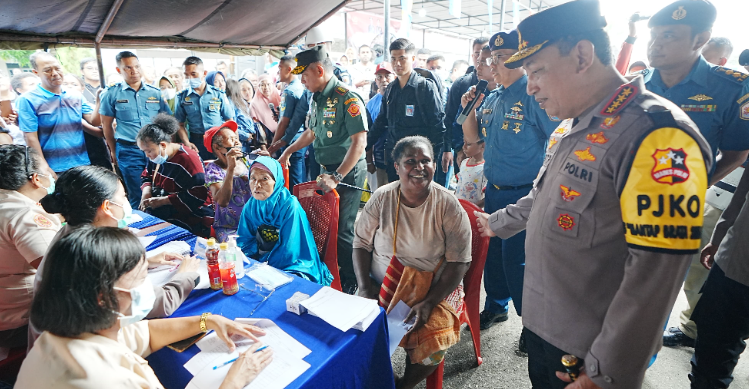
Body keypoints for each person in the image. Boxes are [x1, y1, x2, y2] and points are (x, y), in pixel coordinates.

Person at [475, 0, 712, 387]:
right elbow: (548, 198)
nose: (530, 85)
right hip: (548, 329)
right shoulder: (584, 123)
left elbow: (655, 275)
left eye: (536, 70)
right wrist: (495, 223)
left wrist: (606, 373)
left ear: (583, 55)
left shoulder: (658, 135)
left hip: (589, 354)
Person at [16, 226, 272, 388]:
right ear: (103, 297)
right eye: (141, 278)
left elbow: (147, 335)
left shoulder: (82, 327)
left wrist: (209, 320)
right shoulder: (100, 379)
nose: (148, 286)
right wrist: (234, 382)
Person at [638, 0, 749, 349]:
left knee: (652, 302)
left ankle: (636, 364)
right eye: (653, 35)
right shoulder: (632, 87)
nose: (655, 43)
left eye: (668, 35)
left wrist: (697, 184)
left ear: (700, 38)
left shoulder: (729, 88)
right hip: (621, 204)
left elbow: (737, 152)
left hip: (675, 213)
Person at [353, 136, 471, 389]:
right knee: (355, 337)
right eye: (410, 161)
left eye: (425, 161)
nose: (419, 167)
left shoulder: (448, 205)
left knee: (433, 344)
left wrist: (430, 302)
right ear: (396, 167)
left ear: (434, 164)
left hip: (432, 289)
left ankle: (403, 385)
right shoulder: (382, 197)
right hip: (379, 284)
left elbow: (460, 262)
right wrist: (364, 287)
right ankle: (384, 379)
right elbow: (361, 245)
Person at [462, 32, 560, 337]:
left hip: (524, 194)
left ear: (521, 61)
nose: (493, 64)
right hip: (493, 191)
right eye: (491, 58)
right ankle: (496, 305)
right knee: (492, 255)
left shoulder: (533, 96)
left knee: (518, 262)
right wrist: (469, 110)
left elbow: (557, 142)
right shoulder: (492, 97)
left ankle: (531, 325)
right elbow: (472, 144)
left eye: (501, 58)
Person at [37, 164, 200, 320]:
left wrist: (147, 262)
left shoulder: (68, 232)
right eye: (123, 197)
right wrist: (185, 276)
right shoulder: (100, 249)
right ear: (107, 207)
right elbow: (160, 304)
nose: (126, 203)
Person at [278, 46, 368, 294]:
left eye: (304, 75)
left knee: (342, 230)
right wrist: (288, 150)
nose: (302, 80)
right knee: (323, 224)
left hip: (345, 173)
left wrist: (337, 177)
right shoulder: (317, 97)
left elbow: (359, 142)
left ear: (319, 70)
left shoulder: (347, 97)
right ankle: (331, 271)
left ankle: (353, 281)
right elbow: (312, 131)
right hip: (324, 171)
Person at [689, 167, 749, 388]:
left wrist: (719, 239)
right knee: (714, 352)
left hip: (737, 267)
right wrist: (718, 238)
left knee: (714, 355)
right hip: (735, 263)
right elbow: (741, 195)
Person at [236, 156, 333, 285]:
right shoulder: (252, 205)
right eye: (253, 178)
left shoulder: (289, 205)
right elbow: (244, 239)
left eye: (264, 179)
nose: (257, 185)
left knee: (290, 282)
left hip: (294, 261)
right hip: (264, 260)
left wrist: (266, 265)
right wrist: (252, 260)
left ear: (276, 181)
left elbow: (290, 249)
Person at [0, 145, 61, 348]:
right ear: (36, 179)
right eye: (47, 171)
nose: (51, 176)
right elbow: (58, 269)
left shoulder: (7, 202)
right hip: (18, 321)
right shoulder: (25, 215)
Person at [100, 51, 173, 208]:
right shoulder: (112, 93)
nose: (134, 71)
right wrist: (113, 151)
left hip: (156, 149)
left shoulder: (155, 92)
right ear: (119, 70)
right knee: (137, 192)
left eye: (137, 66)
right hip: (129, 149)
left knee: (161, 189)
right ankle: (141, 228)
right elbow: (106, 125)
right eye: (128, 68)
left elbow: (167, 121)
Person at [368, 38, 445, 184]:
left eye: (402, 58)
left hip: (417, 161)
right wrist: (364, 145)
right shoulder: (390, 89)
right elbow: (381, 121)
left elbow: (437, 126)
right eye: (394, 59)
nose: (397, 63)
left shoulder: (424, 88)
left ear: (413, 59)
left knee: (417, 203)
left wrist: (433, 160)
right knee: (395, 199)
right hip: (394, 160)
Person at [16, 51, 101, 176]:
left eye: (57, 68)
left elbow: (94, 121)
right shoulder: (27, 99)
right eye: (47, 70)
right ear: (36, 73)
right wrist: (43, 167)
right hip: (53, 167)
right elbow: (30, 137)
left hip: (81, 162)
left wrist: (99, 101)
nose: (55, 73)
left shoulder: (75, 95)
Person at [137, 113, 214, 238]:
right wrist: (146, 192)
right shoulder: (157, 157)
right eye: (144, 151)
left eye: (148, 151)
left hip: (190, 216)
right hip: (166, 210)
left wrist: (164, 201)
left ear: (162, 145)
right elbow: (146, 175)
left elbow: (198, 196)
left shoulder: (188, 161)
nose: (147, 155)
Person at [443, 37, 489, 185]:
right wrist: (458, 149)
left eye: (485, 60)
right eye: (478, 56)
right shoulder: (465, 86)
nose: (480, 63)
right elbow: (453, 120)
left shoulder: (503, 93)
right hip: (466, 153)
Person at [174, 56, 235, 161]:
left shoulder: (218, 94)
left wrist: (233, 141)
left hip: (219, 140)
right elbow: (179, 124)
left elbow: (229, 120)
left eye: (193, 74)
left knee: (221, 171)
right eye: (186, 75)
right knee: (201, 172)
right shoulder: (181, 97)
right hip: (196, 141)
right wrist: (187, 142)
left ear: (204, 73)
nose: (190, 78)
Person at [203, 121, 254, 241]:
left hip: (253, 222)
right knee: (236, 254)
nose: (237, 142)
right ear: (217, 147)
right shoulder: (213, 169)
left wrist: (266, 164)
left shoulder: (246, 161)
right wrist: (230, 168)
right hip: (229, 227)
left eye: (236, 138)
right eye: (231, 139)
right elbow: (222, 201)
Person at [267, 55, 310, 188]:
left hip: (290, 141)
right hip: (300, 139)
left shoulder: (289, 91)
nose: (278, 72)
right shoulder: (299, 87)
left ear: (289, 69)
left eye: (280, 69)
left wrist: (273, 146)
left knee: (293, 184)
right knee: (300, 180)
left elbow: (283, 123)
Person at [365, 62, 396, 192]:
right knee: (381, 194)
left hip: (399, 156)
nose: (384, 80)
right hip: (380, 158)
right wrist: (369, 161)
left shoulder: (401, 97)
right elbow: (368, 134)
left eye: (387, 76)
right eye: (380, 77)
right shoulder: (371, 104)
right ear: (376, 81)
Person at [225, 78, 261, 153]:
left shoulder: (241, 101)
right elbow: (231, 124)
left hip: (249, 140)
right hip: (241, 139)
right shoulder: (229, 103)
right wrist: (245, 135)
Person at [454, 138, 486, 208]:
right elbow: (459, 186)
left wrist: (472, 208)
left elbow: (487, 197)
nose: (463, 147)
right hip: (458, 208)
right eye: (464, 143)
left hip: (472, 212)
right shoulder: (464, 162)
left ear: (482, 145)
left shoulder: (485, 168)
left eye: (468, 144)